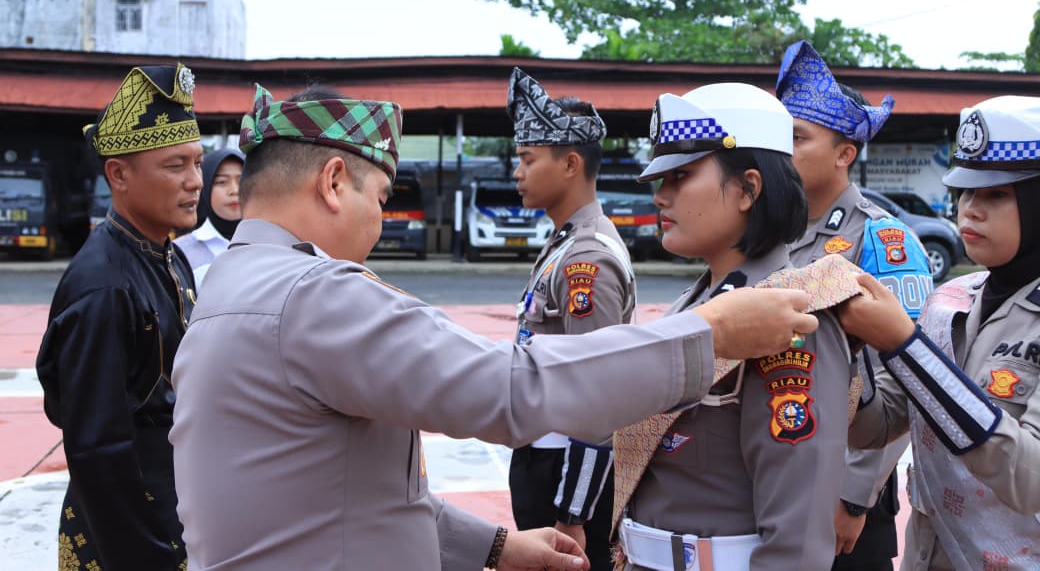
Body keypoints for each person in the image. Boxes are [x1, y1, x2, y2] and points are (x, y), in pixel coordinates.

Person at [169, 83, 823, 571]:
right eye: (381, 198)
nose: (378, 220)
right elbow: (509, 386)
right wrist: (711, 336)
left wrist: (498, 547)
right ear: (335, 182)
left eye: (682, 176)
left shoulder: (231, 284)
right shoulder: (310, 295)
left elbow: (350, 494)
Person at [611, 83, 864, 571]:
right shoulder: (699, 300)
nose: (661, 197)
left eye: (680, 176)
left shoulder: (791, 314)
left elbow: (796, 541)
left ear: (749, 188)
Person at [839, 95, 1040, 570]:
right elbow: (877, 425)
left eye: (996, 194)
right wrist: (851, 348)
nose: (970, 210)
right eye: (966, 191)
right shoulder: (951, 297)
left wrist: (904, 348)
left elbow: (1030, 478)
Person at [36, 64, 202, 571]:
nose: (195, 181)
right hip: (130, 533)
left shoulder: (167, 255)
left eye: (196, 162)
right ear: (120, 174)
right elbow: (98, 449)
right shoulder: (104, 286)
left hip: (173, 506)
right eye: (175, 166)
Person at [777, 40, 933, 570]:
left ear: (845, 154)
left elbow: (912, 379)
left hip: (848, 495)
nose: (783, 150)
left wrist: (853, 494)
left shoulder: (883, 240)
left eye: (797, 138)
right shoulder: (771, 234)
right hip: (778, 478)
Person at [507, 68, 633, 570]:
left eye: (527, 159)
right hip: (542, 458)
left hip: (566, 474)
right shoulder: (564, 244)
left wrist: (574, 509)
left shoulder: (588, 259)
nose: (517, 172)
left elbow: (597, 391)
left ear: (570, 164)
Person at [174, 146, 245, 285]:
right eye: (221, 182)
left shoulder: (272, 245)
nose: (234, 190)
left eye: (241, 180)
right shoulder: (180, 252)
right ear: (204, 188)